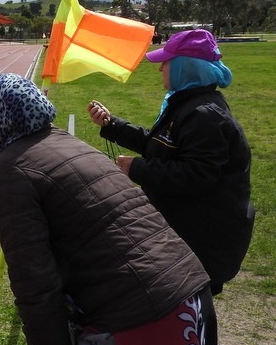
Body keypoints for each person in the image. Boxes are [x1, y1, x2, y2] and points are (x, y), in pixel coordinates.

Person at [0, 73, 216, 345]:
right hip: (188, 290)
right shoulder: (69, 141)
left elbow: (35, 284)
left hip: (140, 313)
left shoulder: (8, 169)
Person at [88, 29, 254, 296]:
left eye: (166, 62)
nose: (160, 69)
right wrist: (113, 125)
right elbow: (161, 146)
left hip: (203, 241)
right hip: (191, 233)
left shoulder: (205, 115)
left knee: (188, 309)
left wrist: (137, 168)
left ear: (184, 68)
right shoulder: (189, 105)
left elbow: (197, 175)